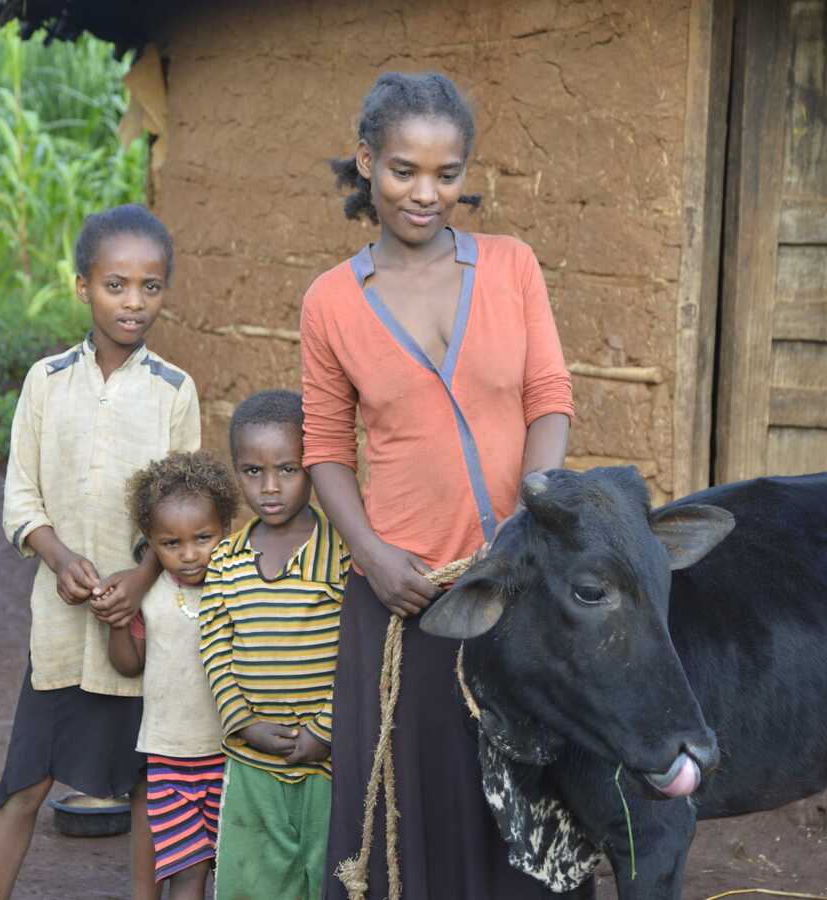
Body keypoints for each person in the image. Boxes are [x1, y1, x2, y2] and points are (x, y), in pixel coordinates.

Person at [301, 73, 582, 899]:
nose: (426, 194)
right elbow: (325, 450)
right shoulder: (332, 302)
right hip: (408, 598)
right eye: (403, 171)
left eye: (447, 174)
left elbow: (549, 398)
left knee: (531, 799)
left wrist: (530, 523)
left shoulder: (512, 267)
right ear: (366, 162)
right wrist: (375, 558)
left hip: (515, 585)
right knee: (419, 796)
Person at [0, 204, 199, 900]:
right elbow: (21, 498)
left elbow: (186, 512)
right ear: (83, 287)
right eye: (116, 285)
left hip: (142, 631)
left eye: (151, 287)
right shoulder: (45, 382)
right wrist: (56, 554)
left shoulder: (173, 392)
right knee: (26, 783)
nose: (134, 302)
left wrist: (140, 581)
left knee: (146, 787)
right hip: (60, 628)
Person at [199, 389, 349, 899]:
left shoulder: (343, 556)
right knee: (254, 881)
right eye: (252, 471)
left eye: (288, 469)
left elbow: (360, 656)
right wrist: (244, 722)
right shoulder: (226, 561)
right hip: (252, 767)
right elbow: (215, 646)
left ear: (313, 469)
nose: (270, 488)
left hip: (329, 764)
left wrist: (325, 730)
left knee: (331, 879)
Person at [107, 450, 237, 900]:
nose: (189, 555)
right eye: (171, 543)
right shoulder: (151, 596)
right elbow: (128, 665)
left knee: (235, 868)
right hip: (170, 760)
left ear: (227, 529)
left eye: (204, 538)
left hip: (234, 756)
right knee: (187, 871)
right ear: (150, 541)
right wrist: (118, 620)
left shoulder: (239, 587)